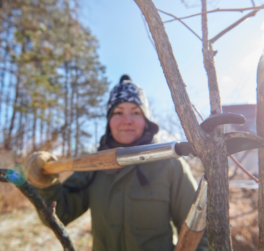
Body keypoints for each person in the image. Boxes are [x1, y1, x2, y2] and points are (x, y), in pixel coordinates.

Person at [25, 75, 208, 251]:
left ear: (146, 120)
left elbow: (198, 232)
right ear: (109, 121)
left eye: (135, 112)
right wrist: (45, 185)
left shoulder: (170, 165)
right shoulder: (92, 166)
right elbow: (60, 213)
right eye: (118, 112)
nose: (127, 120)